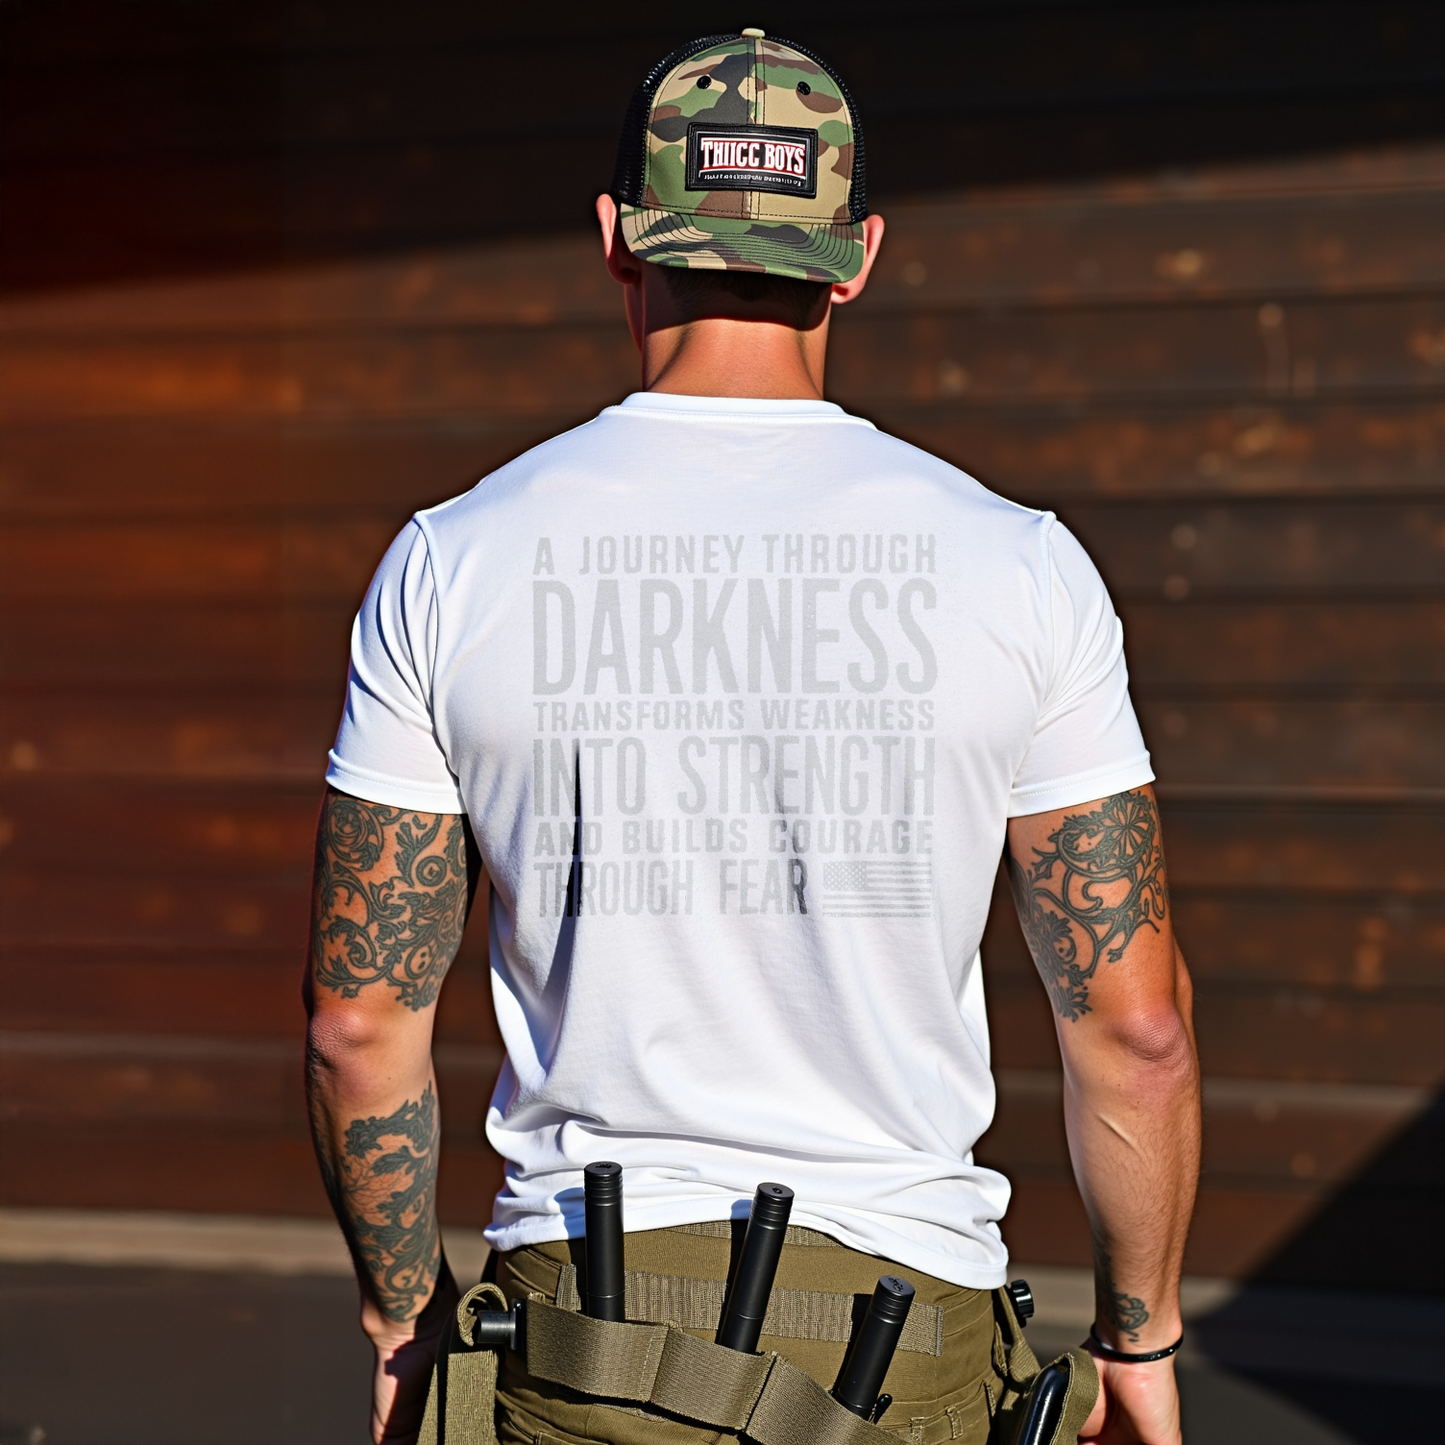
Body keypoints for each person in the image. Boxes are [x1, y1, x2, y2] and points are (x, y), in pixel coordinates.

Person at [305, 30, 1200, 1445]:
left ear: (616, 237)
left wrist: (404, 1321)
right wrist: (1139, 1337)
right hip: (906, 1335)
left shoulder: (452, 561)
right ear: (857, 258)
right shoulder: (1022, 565)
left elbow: (360, 1023)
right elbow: (1135, 1030)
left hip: (575, 1339)